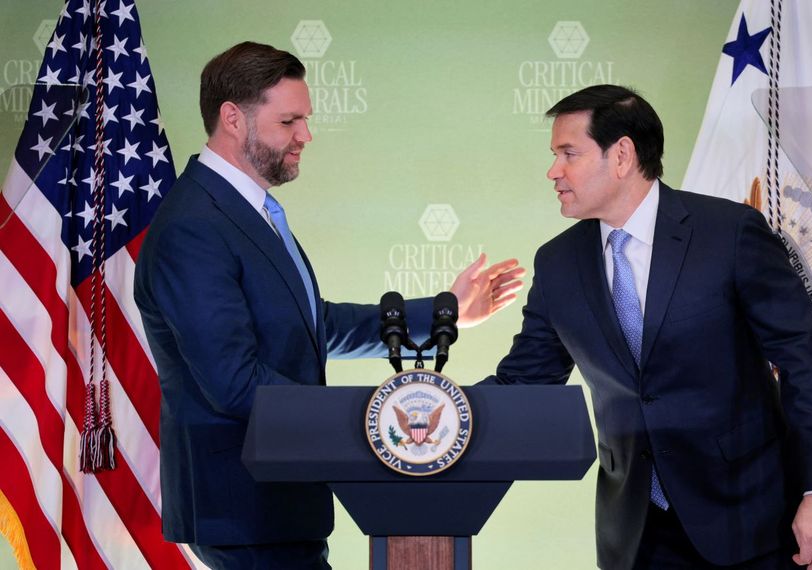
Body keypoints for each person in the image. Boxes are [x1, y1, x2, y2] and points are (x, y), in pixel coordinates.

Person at [133, 41, 523, 570]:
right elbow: (233, 381)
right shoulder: (194, 227)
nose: (306, 136)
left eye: (306, 119)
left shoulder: (250, 212)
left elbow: (313, 325)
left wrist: (445, 313)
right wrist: (372, 422)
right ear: (233, 119)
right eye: (289, 120)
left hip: (279, 506)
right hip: (245, 508)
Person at [482, 84, 812, 569]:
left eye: (569, 153)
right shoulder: (557, 264)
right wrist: (440, 411)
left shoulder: (731, 233)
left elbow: (803, 362)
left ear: (623, 155)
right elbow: (525, 382)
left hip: (753, 521)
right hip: (638, 534)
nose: (554, 171)